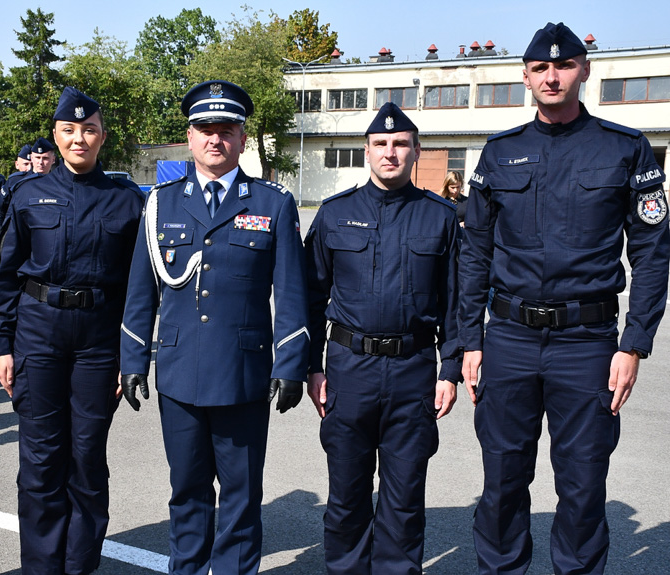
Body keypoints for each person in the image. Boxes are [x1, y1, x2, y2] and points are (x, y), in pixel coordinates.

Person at [459, 22, 670, 575]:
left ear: (584, 70)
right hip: (508, 339)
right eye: (539, 68)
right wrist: (469, 341)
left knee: (582, 483)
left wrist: (635, 343)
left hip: (588, 341)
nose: (552, 76)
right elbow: (473, 253)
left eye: (564, 65)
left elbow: (652, 253)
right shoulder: (500, 152)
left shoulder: (625, 149)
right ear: (525, 77)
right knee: (502, 480)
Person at [120, 80, 310, 575]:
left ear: (243, 139)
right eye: (205, 129)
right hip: (180, 372)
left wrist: (291, 362)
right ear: (189, 136)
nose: (215, 139)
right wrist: (133, 359)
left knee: (242, 497)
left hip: (243, 375)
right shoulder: (160, 203)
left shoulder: (273, 204)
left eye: (226, 130)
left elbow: (290, 292)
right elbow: (142, 292)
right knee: (186, 490)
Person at [0, 86, 143, 575]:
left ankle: (80, 566)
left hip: (99, 340)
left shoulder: (127, 200)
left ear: (102, 137)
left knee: (87, 459)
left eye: (90, 130)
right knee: (39, 460)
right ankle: (41, 568)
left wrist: (128, 356)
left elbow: (138, 289)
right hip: (38, 333)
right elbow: (6, 274)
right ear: (56, 137)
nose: (80, 139)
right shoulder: (27, 194)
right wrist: (0, 344)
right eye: (70, 130)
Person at [305, 103, 460, 574]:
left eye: (399, 144)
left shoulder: (441, 218)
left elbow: (457, 302)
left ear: (415, 152)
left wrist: (450, 370)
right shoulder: (335, 215)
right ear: (366, 151)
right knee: (347, 496)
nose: (389, 153)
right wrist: (312, 367)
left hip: (414, 370)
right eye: (380, 144)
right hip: (349, 369)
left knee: (405, 497)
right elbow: (310, 298)